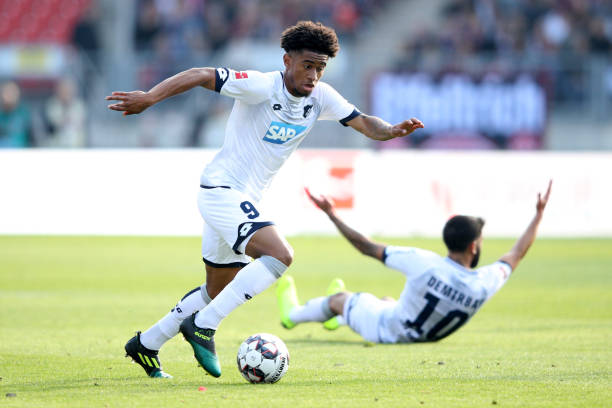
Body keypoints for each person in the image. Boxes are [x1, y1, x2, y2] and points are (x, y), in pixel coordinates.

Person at [105, 21, 424, 379]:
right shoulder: (261, 85)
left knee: (218, 287)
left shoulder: (321, 98)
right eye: (308, 65)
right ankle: (204, 326)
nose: (314, 75)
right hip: (222, 191)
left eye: (321, 68)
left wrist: (393, 130)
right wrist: (149, 97)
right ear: (287, 61)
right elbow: (199, 73)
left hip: (241, 199)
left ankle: (147, 343)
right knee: (280, 255)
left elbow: (363, 122)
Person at [276, 181, 552, 344]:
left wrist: (332, 214)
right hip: (423, 332)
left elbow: (366, 246)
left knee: (339, 297)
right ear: (473, 246)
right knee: (386, 299)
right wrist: (539, 215)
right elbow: (517, 253)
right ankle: (343, 317)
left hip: (386, 330)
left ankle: (294, 315)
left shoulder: (424, 262)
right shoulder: (484, 283)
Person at [0, 81, 31, 148]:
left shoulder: (25, 114)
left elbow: (34, 138)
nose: (9, 95)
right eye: (7, 92)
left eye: (12, 92)